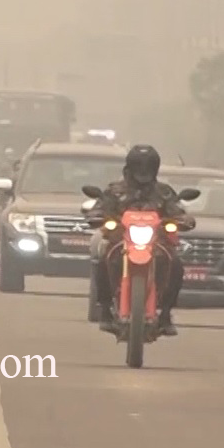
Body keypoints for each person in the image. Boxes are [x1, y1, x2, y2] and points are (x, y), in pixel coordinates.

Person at [89, 144, 189, 337]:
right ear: (130, 168)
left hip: (157, 242)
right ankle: (105, 310)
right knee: (102, 258)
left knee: (176, 263)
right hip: (121, 240)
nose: (143, 172)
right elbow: (100, 207)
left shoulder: (164, 192)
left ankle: (166, 314)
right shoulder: (115, 190)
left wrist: (182, 219)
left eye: (148, 168)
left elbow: (177, 210)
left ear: (155, 169)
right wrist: (98, 216)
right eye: (139, 167)